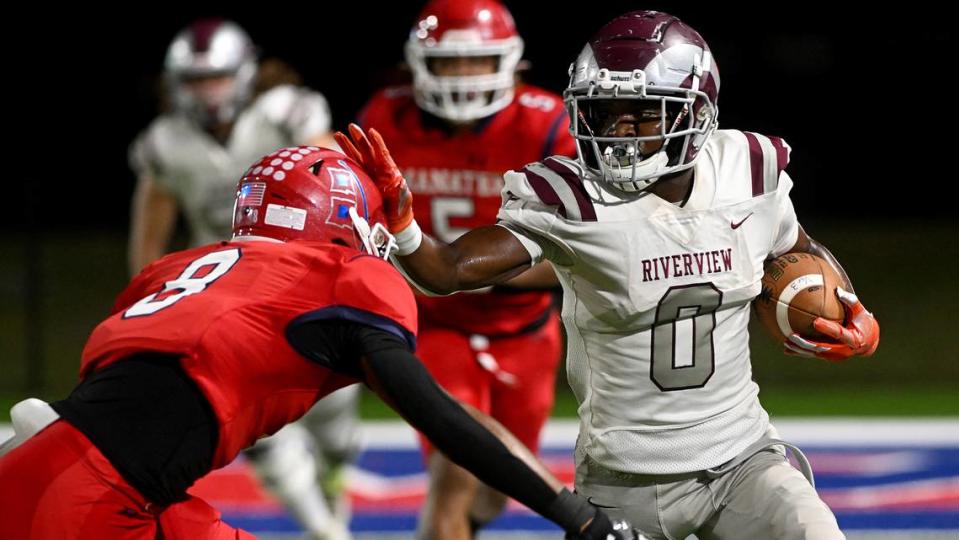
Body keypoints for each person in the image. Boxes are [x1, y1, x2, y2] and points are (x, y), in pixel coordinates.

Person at [336, 10, 880, 540]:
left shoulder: (748, 169)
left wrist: (848, 304)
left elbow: (797, 247)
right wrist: (404, 227)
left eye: (641, 113)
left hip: (743, 460)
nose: (618, 133)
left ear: (695, 114)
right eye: (604, 113)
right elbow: (448, 270)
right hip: (625, 481)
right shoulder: (573, 197)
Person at [0, 146, 637, 540]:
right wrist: (574, 516)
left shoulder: (173, 272)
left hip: (50, 459)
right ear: (342, 220)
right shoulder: (342, 278)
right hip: (93, 499)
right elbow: (443, 418)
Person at [356, 0, 574, 537]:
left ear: (510, 61)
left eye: (475, 61)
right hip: (435, 325)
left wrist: (472, 268)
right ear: (419, 64)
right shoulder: (386, 115)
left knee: (495, 491)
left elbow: (585, 253)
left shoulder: (549, 123)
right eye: (449, 62)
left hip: (523, 329)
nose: (461, 76)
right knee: (454, 467)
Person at [127, 19, 351, 538]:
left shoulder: (288, 114)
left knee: (333, 426)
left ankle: (334, 480)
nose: (208, 93)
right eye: (196, 80)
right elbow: (150, 236)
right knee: (254, 425)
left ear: (246, 74)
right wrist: (150, 296)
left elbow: (334, 182)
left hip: (304, 280)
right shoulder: (166, 143)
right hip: (228, 293)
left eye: (218, 77)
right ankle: (327, 533)